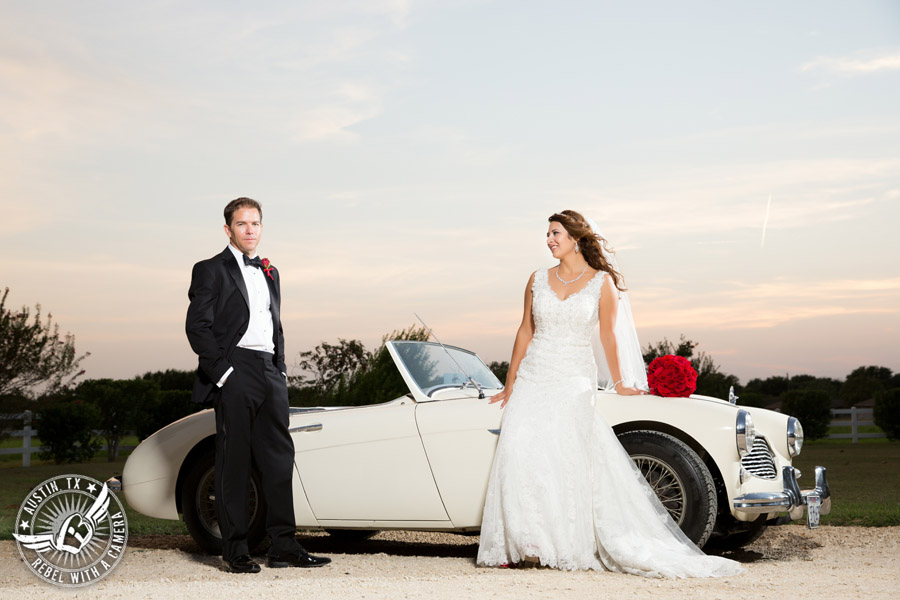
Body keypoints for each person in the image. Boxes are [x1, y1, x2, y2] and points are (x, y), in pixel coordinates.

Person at [476, 210, 743, 577]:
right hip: (534, 374)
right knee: (520, 446)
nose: (549, 240)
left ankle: (563, 542)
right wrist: (510, 382)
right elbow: (525, 330)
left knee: (564, 453)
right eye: (548, 234)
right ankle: (527, 542)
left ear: (575, 237)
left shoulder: (602, 283)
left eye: (555, 233)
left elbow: (608, 336)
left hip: (572, 376)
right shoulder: (537, 278)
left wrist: (620, 383)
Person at [186, 198, 331, 573]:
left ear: (261, 227)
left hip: (269, 371)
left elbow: (273, 322)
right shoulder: (209, 269)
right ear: (228, 230)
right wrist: (222, 373)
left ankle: (283, 546)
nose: (250, 229)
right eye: (242, 224)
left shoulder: (271, 271)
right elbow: (197, 327)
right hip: (236, 369)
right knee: (234, 460)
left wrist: (280, 368)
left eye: (255, 223)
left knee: (279, 460)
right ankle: (234, 550)